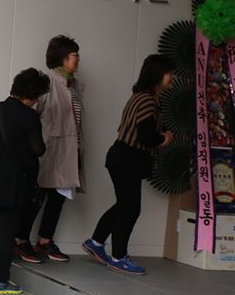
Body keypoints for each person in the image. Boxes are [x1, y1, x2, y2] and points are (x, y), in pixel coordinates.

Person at [84, 55, 175, 276]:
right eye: (169, 73)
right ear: (157, 74)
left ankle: (96, 242)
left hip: (123, 157)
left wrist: (162, 134)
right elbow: (145, 136)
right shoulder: (146, 100)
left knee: (125, 205)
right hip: (128, 159)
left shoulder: (144, 98)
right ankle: (118, 257)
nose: (172, 77)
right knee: (131, 208)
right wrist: (164, 139)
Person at [0, 68, 50, 295]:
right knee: (7, 230)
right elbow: (38, 149)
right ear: (33, 95)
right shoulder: (29, 116)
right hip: (14, 180)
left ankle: (1, 265)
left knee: (4, 227)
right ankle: (1, 281)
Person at [16, 36, 84, 264]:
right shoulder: (48, 83)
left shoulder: (73, 85)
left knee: (58, 197)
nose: (78, 59)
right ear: (62, 57)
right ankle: (20, 240)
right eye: (74, 55)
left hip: (69, 150)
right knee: (37, 196)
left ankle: (45, 240)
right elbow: (30, 114)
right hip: (49, 149)